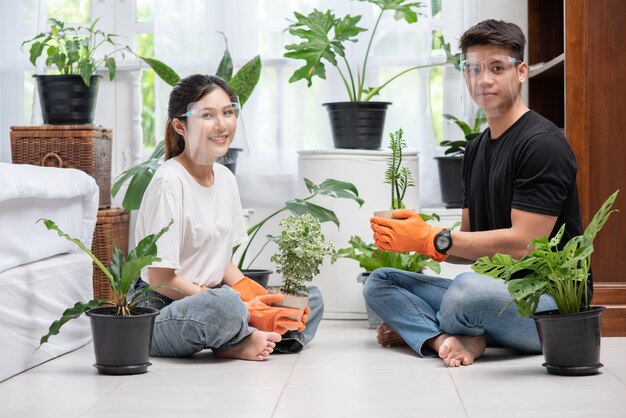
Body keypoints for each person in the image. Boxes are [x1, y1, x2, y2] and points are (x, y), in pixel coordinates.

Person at [365, 20, 585, 367]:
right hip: (492, 293)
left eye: (497, 67)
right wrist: (420, 239)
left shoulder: (543, 144)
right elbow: (469, 246)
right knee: (380, 282)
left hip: (549, 304)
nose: (484, 79)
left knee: (465, 293)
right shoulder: (475, 151)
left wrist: (434, 239)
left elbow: (525, 243)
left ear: (522, 71)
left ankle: (429, 328)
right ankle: (443, 339)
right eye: (474, 68)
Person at [133, 74, 323, 361]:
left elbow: (222, 263)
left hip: (211, 296)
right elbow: (161, 279)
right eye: (207, 115)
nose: (222, 125)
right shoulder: (169, 182)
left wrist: (258, 299)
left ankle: (258, 335)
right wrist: (245, 308)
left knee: (309, 297)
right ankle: (242, 337)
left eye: (227, 113)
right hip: (161, 309)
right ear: (179, 125)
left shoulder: (224, 177)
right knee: (226, 306)